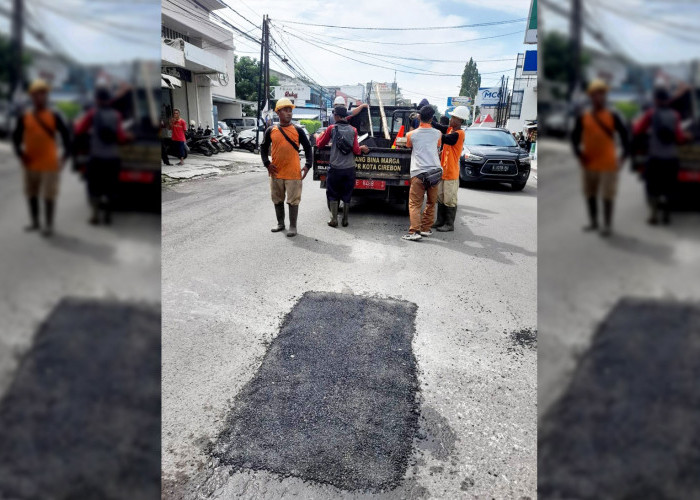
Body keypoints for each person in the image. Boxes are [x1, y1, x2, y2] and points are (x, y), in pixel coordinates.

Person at [12, 79, 71, 237]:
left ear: (47, 96)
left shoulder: (54, 116)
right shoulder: (25, 116)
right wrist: (20, 154)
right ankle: (35, 222)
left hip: (49, 164)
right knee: (31, 194)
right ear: (31, 96)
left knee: (48, 195)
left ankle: (49, 225)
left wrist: (65, 157)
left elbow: (66, 136)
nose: (39, 97)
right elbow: (16, 138)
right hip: (30, 163)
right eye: (36, 94)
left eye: (42, 94)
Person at [571, 79, 630, 237]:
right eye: (595, 94)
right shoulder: (584, 117)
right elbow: (575, 137)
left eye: (601, 94)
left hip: (608, 164)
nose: (599, 97)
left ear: (605, 96)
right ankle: (594, 222)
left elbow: (625, 136)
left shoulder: (612, 116)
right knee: (590, 194)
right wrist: (579, 154)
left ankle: (607, 225)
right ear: (591, 97)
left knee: (607, 195)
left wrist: (623, 157)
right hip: (589, 164)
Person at [632, 87, 690, 225]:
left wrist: (634, 125)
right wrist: (687, 137)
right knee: (669, 187)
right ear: (667, 100)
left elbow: (638, 129)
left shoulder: (650, 114)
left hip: (655, 158)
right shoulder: (675, 115)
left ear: (656, 100)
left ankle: (653, 216)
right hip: (671, 158)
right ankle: (667, 214)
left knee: (652, 187)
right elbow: (680, 137)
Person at [74, 87, 130, 225]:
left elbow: (80, 130)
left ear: (97, 100)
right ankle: (108, 215)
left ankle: (95, 216)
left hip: (96, 158)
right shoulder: (116, 115)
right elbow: (121, 138)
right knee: (111, 187)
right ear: (109, 100)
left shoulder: (92, 113)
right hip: (112, 158)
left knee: (94, 187)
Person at [260, 97, 313, 237]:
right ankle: (280, 223)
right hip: (276, 173)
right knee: (277, 199)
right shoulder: (271, 130)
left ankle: (293, 226)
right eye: (286, 110)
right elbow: (263, 148)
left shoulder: (298, 130)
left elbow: (308, 148)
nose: (289, 113)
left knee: (293, 200)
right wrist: (267, 164)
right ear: (278, 112)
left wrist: (308, 165)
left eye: (290, 110)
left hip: (293, 172)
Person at [315, 106, 370, 227]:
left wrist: (316, 137)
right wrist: (361, 148)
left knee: (333, 193)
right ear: (345, 116)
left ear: (336, 116)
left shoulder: (332, 128)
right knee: (347, 193)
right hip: (349, 168)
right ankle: (345, 220)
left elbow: (320, 144)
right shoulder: (353, 130)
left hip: (335, 168)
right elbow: (356, 150)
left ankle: (334, 219)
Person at [402, 105, 443, 241]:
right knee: (431, 202)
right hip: (435, 173)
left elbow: (408, 145)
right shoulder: (438, 134)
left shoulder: (411, 135)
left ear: (419, 117)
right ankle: (425, 229)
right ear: (432, 118)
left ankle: (415, 231)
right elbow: (437, 146)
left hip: (418, 172)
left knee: (415, 203)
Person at [431, 106, 468, 232]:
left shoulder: (459, 134)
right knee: (440, 197)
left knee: (450, 199)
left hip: (451, 173)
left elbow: (446, 139)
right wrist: (429, 121)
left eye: (453, 118)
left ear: (459, 120)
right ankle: (440, 221)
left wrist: (434, 132)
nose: (450, 120)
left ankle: (449, 224)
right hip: (444, 171)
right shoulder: (451, 130)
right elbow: (440, 127)